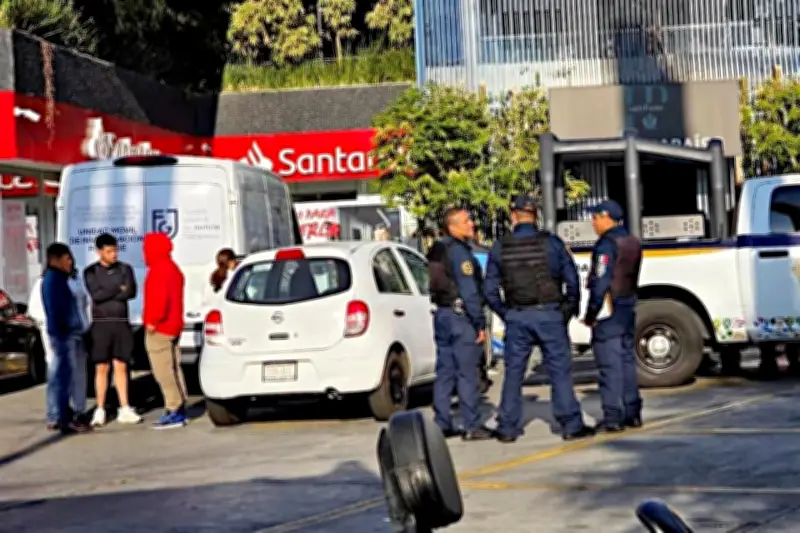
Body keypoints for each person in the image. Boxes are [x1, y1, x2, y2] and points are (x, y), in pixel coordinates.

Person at [483, 194, 594, 443]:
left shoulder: (501, 246)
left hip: (517, 316)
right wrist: (568, 309)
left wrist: (506, 314)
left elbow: (489, 290)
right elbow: (572, 279)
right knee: (560, 372)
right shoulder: (552, 243)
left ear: (514, 215)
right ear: (535, 216)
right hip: (550, 314)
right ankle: (570, 425)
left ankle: (508, 428)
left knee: (513, 373)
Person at [427, 207, 493, 441]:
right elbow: (469, 291)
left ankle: (442, 422)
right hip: (460, 318)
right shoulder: (460, 253)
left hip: (442, 315)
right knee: (467, 373)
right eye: (466, 221)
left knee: (445, 372)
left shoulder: (437, 249)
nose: (471, 225)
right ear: (453, 226)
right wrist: (479, 324)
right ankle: (472, 425)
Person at [583, 199, 644, 432]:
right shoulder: (632, 241)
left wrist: (590, 314)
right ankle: (633, 412)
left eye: (596, 217)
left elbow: (600, 282)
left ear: (606, 217)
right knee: (627, 362)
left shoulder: (606, 246)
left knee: (609, 366)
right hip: (627, 308)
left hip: (609, 312)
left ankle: (613, 417)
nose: (593, 222)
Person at [84, 233, 142, 426]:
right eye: (109, 251)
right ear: (100, 252)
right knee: (101, 367)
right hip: (101, 324)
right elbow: (97, 295)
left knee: (122, 366)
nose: (113, 254)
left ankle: (124, 407)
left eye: (115, 250)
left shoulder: (125, 269)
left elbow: (131, 291)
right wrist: (118, 289)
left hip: (121, 322)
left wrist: (117, 290)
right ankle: (100, 408)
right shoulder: (90, 272)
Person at [30, 250, 93, 424]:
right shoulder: (45, 281)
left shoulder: (75, 280)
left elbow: (85, 304)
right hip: (59, 335)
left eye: (71, 258)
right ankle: (55, 414)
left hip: (79, 333)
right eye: (66, 259)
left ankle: (80, 410)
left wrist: (86, 325)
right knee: (58, 374)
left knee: (80, 373)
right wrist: (52, 327)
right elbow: (36, 310)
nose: (70, 262)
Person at [142, 232, 189, 429]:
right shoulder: (173, 268)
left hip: (161, 328)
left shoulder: (158, 270)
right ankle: (181, 402)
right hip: (174, 326)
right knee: (175, 367)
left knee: (163, 371)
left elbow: (159, 300)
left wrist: (152, 321)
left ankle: (173, 408)